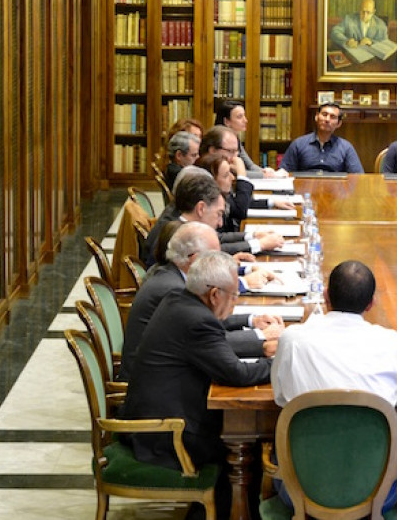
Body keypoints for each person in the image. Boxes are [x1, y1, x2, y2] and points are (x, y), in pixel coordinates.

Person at [122, 251, 273, 520]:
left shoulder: (179, 300)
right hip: (166, 433)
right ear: (214, 295)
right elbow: (236, 373)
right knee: (246, 443)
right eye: (234, 296)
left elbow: (219, 349)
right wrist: (281, 364)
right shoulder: (197, 321)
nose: (235, 304)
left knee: (246, 437)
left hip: (161, 413)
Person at [270, 260, 397, 513]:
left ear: (326, 296)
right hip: (380, 492)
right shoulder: (392, 343)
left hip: (300, 489)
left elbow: (281, 398)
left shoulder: (292, 339)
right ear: (371, 304)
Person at [119, 222, 283, 381]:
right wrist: (281, 359)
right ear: (197, 259)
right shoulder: (172, 289)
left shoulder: (174, 281)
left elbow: (206, 329)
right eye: (216, 256)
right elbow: (214, 346)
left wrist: (251, 321)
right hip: (161, 396)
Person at [141, 169, 227, 267]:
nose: (221, 223)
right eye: (219, 214)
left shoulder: (180, 223)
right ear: (201, 209)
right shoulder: (175, 236)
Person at [279, 103, 364, 173]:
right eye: (324, 114)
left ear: (339, 123)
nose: (327, 119)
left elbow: (357, 176)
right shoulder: (298, 144)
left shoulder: (346, 148)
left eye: (333, 117)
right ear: (316, 117)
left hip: (336, 191)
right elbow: (285, 172)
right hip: (305, 190)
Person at [214, 99, 283, 178]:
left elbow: (250, 165)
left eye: (244, 115)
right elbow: (232, 172)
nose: (245, 120)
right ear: (227, 121)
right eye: (240, 117)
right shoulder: (219, 141)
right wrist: (264, 175)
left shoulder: (235, 138)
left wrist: (266, 172)